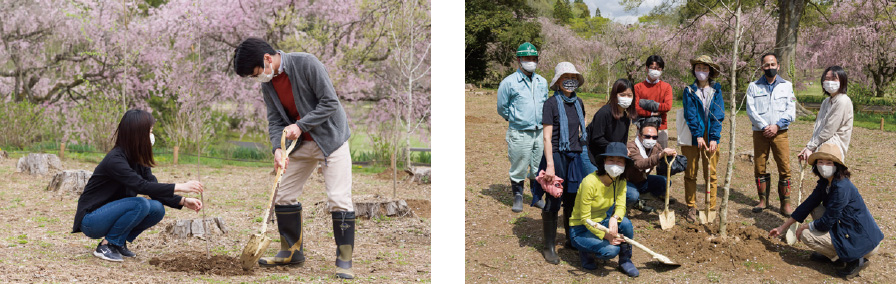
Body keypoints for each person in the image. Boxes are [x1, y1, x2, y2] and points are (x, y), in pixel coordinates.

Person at [233, 37, 355, 279]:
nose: (257, 79)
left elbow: (330, 102)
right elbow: (275, 120)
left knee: (338, 198)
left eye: (256, 73)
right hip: (299, 146)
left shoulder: (307, 63)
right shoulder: (267, 84)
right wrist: (276, 149)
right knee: (284, 195)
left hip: (331, 140)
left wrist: (300, 125)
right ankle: (291, 252)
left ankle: (344, 258)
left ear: (267, 59)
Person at [72, 109, 204, 262]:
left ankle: (118, 242)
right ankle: (107, 245)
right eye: (149, 131)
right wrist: (181, 186)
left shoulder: (137, 158)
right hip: (92, 220)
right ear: (137, 133)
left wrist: (183, 201)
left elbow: (152, 187)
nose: (152, 136)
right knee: (140, 204)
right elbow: (142, 186)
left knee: (156, 208)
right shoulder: (115, 160)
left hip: (111, 214)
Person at [769, 143, 883, 280]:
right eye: (820, 162)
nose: (824, 166)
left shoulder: (842, 187)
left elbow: (826, 222)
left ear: (837, 166)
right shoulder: (825, 182)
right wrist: (782, 227)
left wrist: (806, 226)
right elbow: (808, 205)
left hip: (862, 240)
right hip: (846, 226)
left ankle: (853, 259)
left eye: (829, 162)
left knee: (806, 235)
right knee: (815, 207)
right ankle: (834, 254)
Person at [536, 62, 586, 264]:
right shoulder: (550, 104)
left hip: (574, 155)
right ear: (557, 81)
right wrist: (550, 165)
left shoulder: (579, 103)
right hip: (555, 155)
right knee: (554, 199)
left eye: (573, 77)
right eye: (565, 77)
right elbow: (547, 138)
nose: (569, 81)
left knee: (573, 199)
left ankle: (570, 239)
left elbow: (580, 132)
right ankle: (548, 246)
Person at [569, 142, 639, 277]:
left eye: (620, 161)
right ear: (604, 161)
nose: (615, 164)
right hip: (580, 228)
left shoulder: (620, 181)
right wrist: (606, 235)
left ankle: (625, 260)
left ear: (625, 165)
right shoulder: (589, 182)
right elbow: (585, 219)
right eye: (611, 160)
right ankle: (585, 250)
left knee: (626, 224)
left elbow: (621, 205)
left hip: (602, 221)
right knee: (611, 250)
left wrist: (614, 218)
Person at [497, 42, 550, 212]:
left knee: (537, 166)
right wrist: (515, 118)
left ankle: (536, 197)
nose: (530, 61)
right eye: (527, 58)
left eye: (533, 58)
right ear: (519, 60)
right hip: (520, 131)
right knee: (519, 165)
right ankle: (518, 196)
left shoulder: (542, 81)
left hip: (540, 132)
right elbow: (502, 107)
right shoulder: (509, 82)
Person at [745, 52, 796, 216]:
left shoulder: (787, 86)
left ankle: (785, 204)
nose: (770, 68)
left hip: (780, 132)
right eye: (766, 65)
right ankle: (763, 200)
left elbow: (791, 109)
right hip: (760, 133)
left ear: (778, 66)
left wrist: (777, 126)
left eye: (773, 65)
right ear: (762, 67)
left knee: (784, 166)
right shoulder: (754, 86)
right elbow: (750, 109)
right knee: (760, 165)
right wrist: (765, 126)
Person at [680, 55, 725, 223]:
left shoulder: (717, 90)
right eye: (698, 68)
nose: (701, 71)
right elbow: (690, 114)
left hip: (711, 136)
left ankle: (710, 206)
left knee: (711, 173)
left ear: (710, 71)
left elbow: (718, 114)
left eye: (704, 68)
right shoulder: (689, 90)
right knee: (691, 173)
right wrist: (698, 135)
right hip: (693, 135)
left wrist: (713, 137)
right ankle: (691, 206)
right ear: (694, 70)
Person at [798, 66, 853, 163]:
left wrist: (811, 147)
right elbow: (819, 127)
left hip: (833, 149)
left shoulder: (843, 100)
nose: (830, 82)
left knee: (833, 176)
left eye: (834, 79)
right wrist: (809, 147)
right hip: (821, 147)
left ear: (842, 81)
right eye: (827, 79)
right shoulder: (826, 102)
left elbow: (829, 129)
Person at [625, 121, 677, 214]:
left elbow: (663, 161)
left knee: (666, 182)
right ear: (640, 136)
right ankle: (627, 201)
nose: (651, 139)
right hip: (627, 182)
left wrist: (672, 157)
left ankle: (640, 197)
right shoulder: (631, 147)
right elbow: (640, 164)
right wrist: (660, 155)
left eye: (654, 137)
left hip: (642, 180)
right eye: (647, 136)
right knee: (632, 195)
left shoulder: (656, 146)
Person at [634, 55, 674, 148]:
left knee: (661, 157)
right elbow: (636, 109)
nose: (655, 71)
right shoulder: (638, 87)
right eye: (652, 68)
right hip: (642, 128)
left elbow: (667, 106)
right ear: (647, 69)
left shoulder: (666, 87)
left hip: (660, 128)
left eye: (658, 68)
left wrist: (645, 105)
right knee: (641, 158)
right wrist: (652, 113)